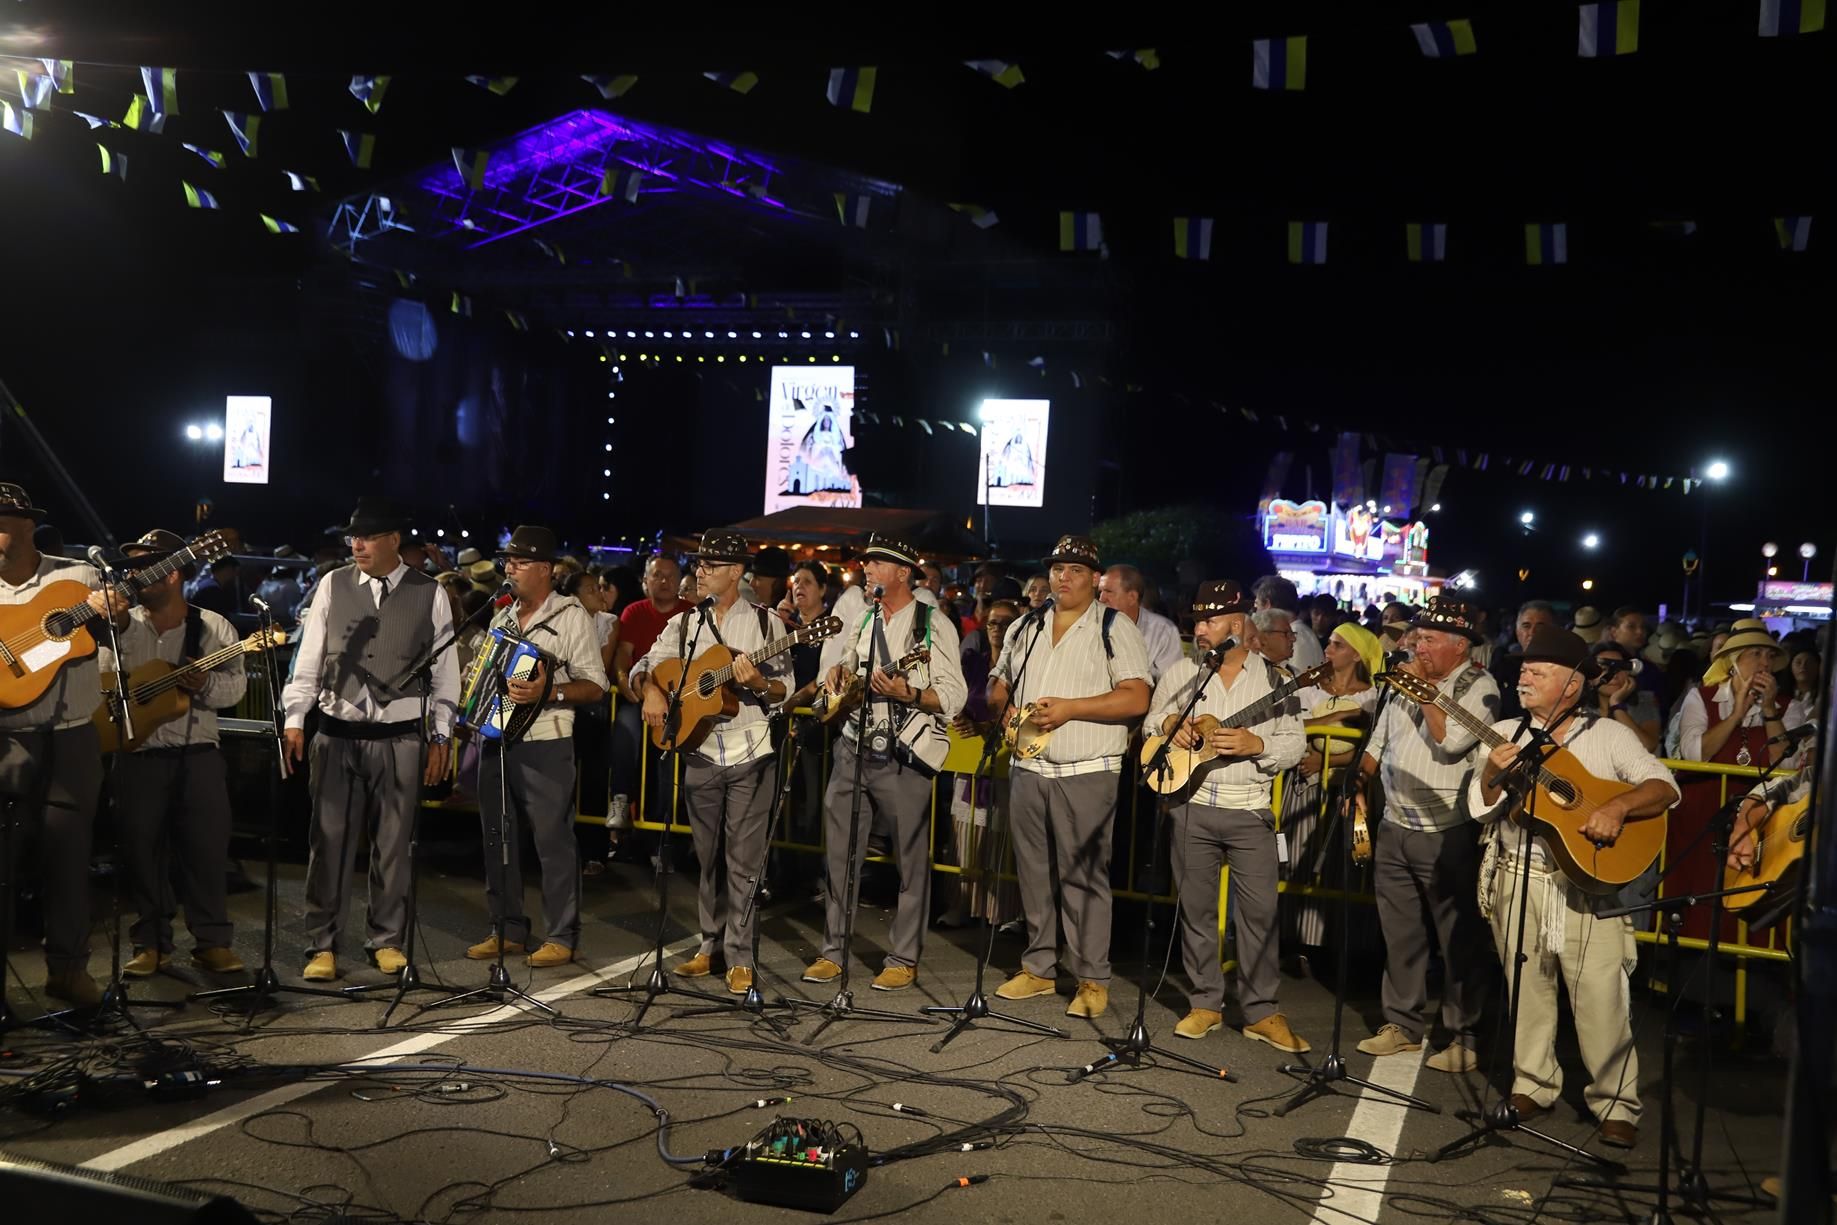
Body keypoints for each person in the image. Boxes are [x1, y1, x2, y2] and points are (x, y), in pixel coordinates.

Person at [1468, 626, 1677, 1149]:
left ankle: (1616, 1102)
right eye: (1523, 671)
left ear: (1572, 684)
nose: (1523, 679)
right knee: (1527, 990)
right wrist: (1494, 774)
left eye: (1537, 673)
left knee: (1601, 997)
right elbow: (1480, 806)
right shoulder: (1507, 734)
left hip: (1589, 887)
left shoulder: (1606, 735)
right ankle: (1532, 1084)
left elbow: (1663, 787)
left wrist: (1617, 806)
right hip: (1518, 879)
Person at [281, 497, 458, 982]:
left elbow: (446, 675)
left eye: (367, 536)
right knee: (329, 841)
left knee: (394, 845)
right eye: (353, 537)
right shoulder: (332, 584)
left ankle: (387, 939)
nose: (356, 544)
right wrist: (295, 717)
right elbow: (309, 659)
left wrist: (441, 734)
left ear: (393, 541)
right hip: (336, 732)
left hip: (401, 735)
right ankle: (322, 943)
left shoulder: (430, 592)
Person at [987, 535, 1152, 1018]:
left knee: (1084, 877)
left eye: (1075, 570)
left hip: (1087, 770)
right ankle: (1038, 968)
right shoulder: (1025, 625)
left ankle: (1091, 979)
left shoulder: (1114, 627)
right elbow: (998, 683)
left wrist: (1070, 710)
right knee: (1034, 874)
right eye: (1058, 568)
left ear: (1094, 578)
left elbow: (1136, 698)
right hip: (1028, 765)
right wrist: (1004, 704)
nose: (1063, 577)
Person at [802, 534, 967, 991]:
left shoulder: (934, 626)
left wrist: (909, 693)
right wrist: (840, 673)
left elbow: (954, 696)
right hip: (853, 746)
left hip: (903, 755)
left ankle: (903, 957)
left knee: (910, 861)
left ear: (901, 572)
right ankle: (833, 952)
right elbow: (851, 669)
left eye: (876, 563)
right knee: (840, 854)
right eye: (867, 563)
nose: (866, 569)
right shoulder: (863, 618)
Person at [1147, 580, 1307, 1049]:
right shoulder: (1183, 674)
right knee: (1196, 911)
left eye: (1209, 620)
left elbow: (1295, 743)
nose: (1199, 628)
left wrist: (1257, 744)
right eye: (1197, 619)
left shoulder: (1279, 680)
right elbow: (1154, 720)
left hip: (1250, 809)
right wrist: (1169, 729)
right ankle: (1205, 1004)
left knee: (1259, 914)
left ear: (1237, 625)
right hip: (1191, 805)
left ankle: (1260, 1010)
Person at [632, 532, 788, 995]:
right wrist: (653, 690)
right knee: (707, 858)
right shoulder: (686, 624)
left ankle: (741, 956)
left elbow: (784, 690)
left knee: (742, 860)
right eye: (699, 564)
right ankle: (709, 945)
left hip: (750, 750)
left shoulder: (766, 625)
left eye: (711, 566)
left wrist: (759, 682)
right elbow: (644, 666)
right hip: (699, 750)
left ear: (737, 573)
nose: (699, 571)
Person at [1356, 596, 1500, 1071]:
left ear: (1460, 646)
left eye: (1429, 639)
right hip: (1394, 821)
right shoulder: (1402, 681)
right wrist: (1358, 785)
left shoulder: (1479, 685)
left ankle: (1464, 1036)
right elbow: (1379, 739)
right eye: (1416, 637)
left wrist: (1423, 693)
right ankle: (1402, 1025)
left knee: (1457, 937)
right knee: (1400, 933)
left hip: (1447, 830)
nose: (1418, 646)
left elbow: (1452, 741)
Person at [0, 483, 129, 1006]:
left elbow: (116, 623)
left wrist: (115, 610)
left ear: (28, 524)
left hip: (73, 736)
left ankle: (69, 971)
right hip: (6, 739)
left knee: (69, 861)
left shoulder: (77, 577)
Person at [104, 529, 248, 978]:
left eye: (145, 565)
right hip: (139, 752)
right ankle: (151, 943)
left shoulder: (212, 627)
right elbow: (105, 681)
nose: (134, 574)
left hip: (198, 752)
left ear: (171, 574)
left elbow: (235, 688)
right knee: (142, 852)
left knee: (205, 852)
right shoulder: (121, 624)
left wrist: (203, 683)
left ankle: (212, 941)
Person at [464, 527, 609, 969]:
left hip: (547, 742)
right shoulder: (502, 617)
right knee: (497, 837)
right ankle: (506, 928)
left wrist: (551, 694)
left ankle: (563, 935)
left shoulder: (570, 617)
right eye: (508, 561)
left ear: (545, 570)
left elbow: (596, 685)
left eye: (520, 562)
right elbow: (485, 671)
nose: (510, 568)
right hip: (499, 739)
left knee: (552, 841)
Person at [1669, 620, 1791, 940]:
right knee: (1701, 885)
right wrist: (1736, 713)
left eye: (1768, 655)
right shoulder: (1703, 697)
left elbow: (1787, 762)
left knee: (1750, 884)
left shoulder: (1785, 705)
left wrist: (1768, 711)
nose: (1764, 662)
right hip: (1705, 811)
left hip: (1758, 813)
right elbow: (1694, 754)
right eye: (1755, 654)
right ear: (1734, 662)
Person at [1282, 621, 1384, 954]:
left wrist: (1331, 762)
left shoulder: (1371, 697)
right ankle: (1288, 934)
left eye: (1337, 645)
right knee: (1293, 857)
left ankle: (1331, 944)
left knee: (1338, 866)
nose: (1327, 650)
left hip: (1345, 790)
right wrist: (1317, 737)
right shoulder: (1310, 689)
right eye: (1329, 643)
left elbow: (1372, 745)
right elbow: (1291, 728)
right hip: (1302, 787)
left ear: (1355, 654)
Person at [613, 554, 684, 823]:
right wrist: (625, 683)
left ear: (679, 581)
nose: (664, 581)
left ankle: (659, 829)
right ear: (645, 580)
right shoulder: (634, 611)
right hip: (638, 692)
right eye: (657, 575)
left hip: (678, 699)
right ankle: (619, 797)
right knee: (625, 729)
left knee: (667, 763)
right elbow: (623, 654)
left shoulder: (691, 613)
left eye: (670, 576)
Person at [1099, 564, 1182, 682]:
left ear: (1132, 597)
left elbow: (1172, 684)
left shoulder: (1163, 631)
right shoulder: (1092, 625)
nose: (1101, 599)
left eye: (1108, 592)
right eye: (1100, 592)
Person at [1489, 600, 1557, 722]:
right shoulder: (1503, 666)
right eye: (1526, 626)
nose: (1532, 632)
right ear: (1517, 631)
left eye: (1540, 627)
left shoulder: (1563, 670)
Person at [1589, 640, 1660, 752]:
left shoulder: (1645, 701)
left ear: (1629, 672)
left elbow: (1647, 746)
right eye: (1604, 669)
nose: (1614, 675)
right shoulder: (1578, 706)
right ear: (1590, 677)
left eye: (1620, 668)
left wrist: (1616, 705)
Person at [1252, 575, 1323, 671]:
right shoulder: (1297, 632)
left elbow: (1298, 682)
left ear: (1267, 605)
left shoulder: (1297, 636)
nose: (1256, 612)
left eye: (1257, 605)